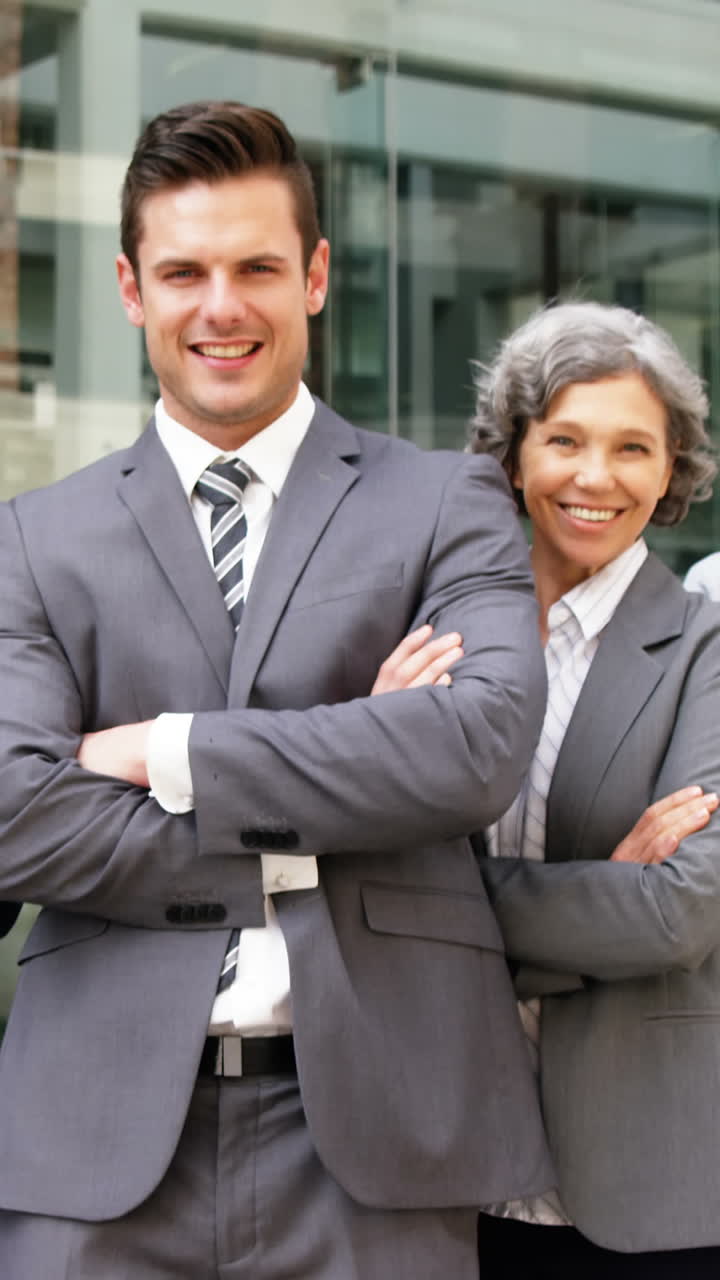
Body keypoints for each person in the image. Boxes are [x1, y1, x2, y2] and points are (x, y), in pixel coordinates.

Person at [0, 101, 554, 1279]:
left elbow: (477, 746)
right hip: (93, 1139)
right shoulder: (31, 540)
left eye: (256, 266)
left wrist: (163, 749)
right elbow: (16, 815)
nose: (221, 306)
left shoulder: (448, 499)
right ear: (130, 286)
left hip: (380, 1135)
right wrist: (351, 778)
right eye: (184, 270)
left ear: (313, 276)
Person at [465, 300, 720, 1274]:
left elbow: (678, 913)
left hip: (645, 1193)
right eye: (565, 438)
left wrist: (449, 918)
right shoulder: (440, 640)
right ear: (514, 453)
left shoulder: (706, 647)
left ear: (671, 472)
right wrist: (599, 889)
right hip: (448, 1176)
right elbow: (367, 898)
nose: (595, 476)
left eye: (633, 447)